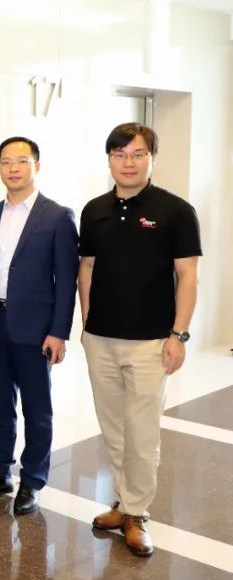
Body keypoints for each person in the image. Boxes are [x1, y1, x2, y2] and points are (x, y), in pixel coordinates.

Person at [80, 123, 201, 557]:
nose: (127, 163)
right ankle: (123, 502)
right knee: (113, 428)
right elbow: (87, 268)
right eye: (119, 154)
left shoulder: (176, 210)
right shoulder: (94, 210)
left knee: (142, 432)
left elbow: (188, 275)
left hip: (151, 342)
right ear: (109, 159)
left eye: (137, 154)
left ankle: (137, 513)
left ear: (151, 158)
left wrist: (178, 335)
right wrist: (86, 324)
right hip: (101, 339)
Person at [0, 137, 78, 516]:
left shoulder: (58, 216)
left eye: (21, 161)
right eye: (5, 161)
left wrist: (58, 331)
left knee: (37, 408)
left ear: (36, 165)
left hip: (36, 328)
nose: (13, 168)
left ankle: (33, 479)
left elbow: (66, 280)